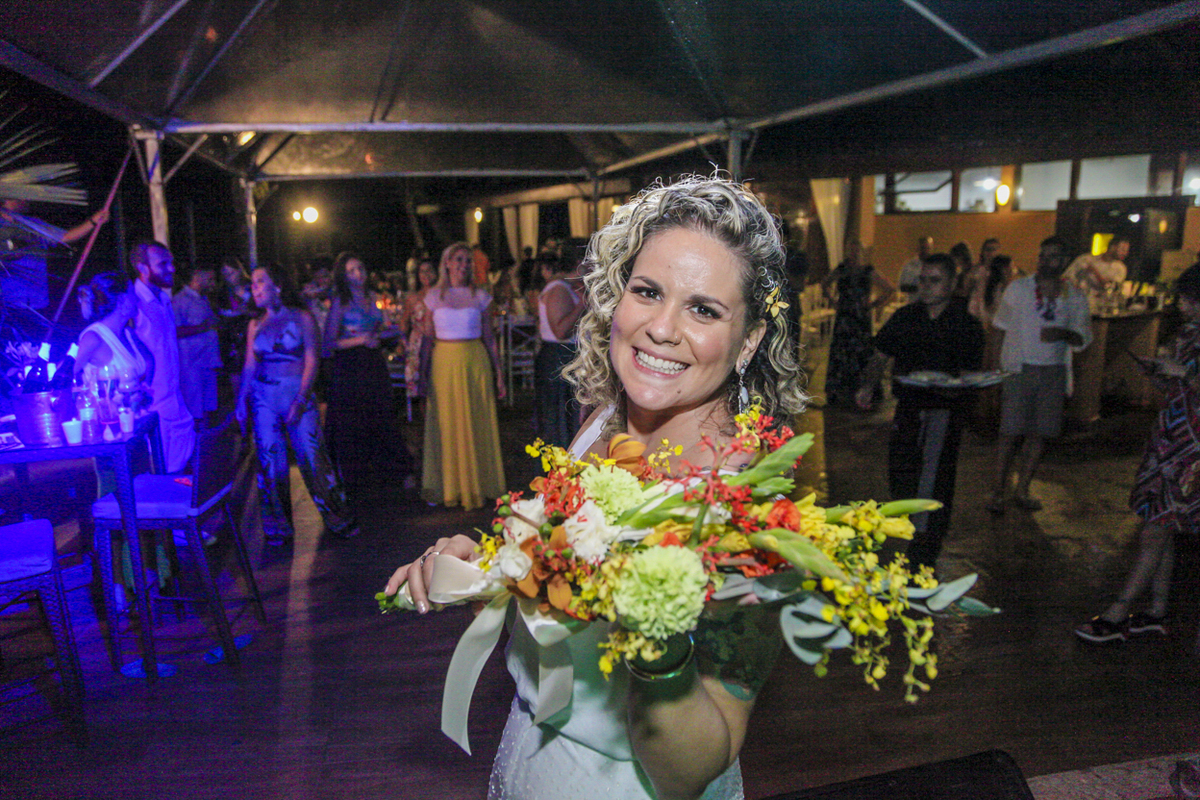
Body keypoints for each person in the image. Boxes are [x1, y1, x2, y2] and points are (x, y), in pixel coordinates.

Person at [386, 176, 808, 800]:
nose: (662, 328)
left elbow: (692, 768)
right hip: (526, 758)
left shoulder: (746, 504)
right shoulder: (602, 424)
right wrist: (485, 571)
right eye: (648, 291)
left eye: (703, 309)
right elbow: (551, 597)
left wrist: (657, 644)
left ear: (747, 342)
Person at [1075, 262, 1200, 643]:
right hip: (1171, 437)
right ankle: (1156, 610)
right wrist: (1162, 373)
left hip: (1191, 448)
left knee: (1156, 528)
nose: (1184, 306)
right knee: (1161, 523)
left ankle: (1118, 612)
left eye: (1191, 300)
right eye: (1184, 298)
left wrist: (1183, 374)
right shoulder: (1189, 335)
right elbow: (1179, 390)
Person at [854, 255, 985, 569]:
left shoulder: (965, 325)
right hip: (909, 407)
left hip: (944, 410)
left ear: (951, 285)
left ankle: (925, 547)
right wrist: (868, 385)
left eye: (934, 280)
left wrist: (956, 387)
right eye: (922, 280)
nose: (925, 287)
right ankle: (916, 528)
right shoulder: (906, 316)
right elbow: (881, 353)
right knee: (901, 473)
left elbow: (971, 374)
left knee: (934, 477)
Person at [235, 263, 357, 541]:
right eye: (252, 284)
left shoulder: (301, 317)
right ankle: (278, 527)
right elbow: (249, 367)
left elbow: (313, 359)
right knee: (270, 463)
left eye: (259, 282)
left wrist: (301, 399)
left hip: (296, 392)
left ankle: (337, 517)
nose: (253, 289)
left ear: (277, 286)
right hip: (263, 398)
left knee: (313, 459)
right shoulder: (255, 324)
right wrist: (241, 402)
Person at [987, 236, 1092, 513]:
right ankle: (998, 490)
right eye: (1042, 255)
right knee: (1009, 433)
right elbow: (998, 329)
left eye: (1053, 256)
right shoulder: (1018, 289)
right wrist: (995, 373)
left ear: (1065, 261)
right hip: (1018, 369)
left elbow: (1084, 338)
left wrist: (1063, 334)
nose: (1045, 261)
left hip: (1054, 371)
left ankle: (1022, 489)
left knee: (1040, 434)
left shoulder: (1075, 296)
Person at [420, 242, 507, 510]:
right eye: (458, 259)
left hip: (475, 361)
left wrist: (499, 373)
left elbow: (490, 338)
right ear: (446, 263)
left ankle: (480, 483)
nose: (463, 264)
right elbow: (426, 338)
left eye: (467, 260)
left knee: (477, 419)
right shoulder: (433, 296)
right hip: (444, 363)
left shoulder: (480, 295)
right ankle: (451, 486)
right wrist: (421, 374)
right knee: (446, 422)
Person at [322, 252, 415, 499]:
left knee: (382, 414)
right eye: (351, 270)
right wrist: (360, 339)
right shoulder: (340, 302)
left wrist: (392, 334)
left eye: (360, 268)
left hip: (372, 362)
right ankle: (357, 478)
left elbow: (381, 329)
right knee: (355, 420)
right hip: (351, 365)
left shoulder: (373, 297)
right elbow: (329, 342)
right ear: (343, 275)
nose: (358, 274)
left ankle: (393, 470)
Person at [130, 240, 195, 473]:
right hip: (153, 405)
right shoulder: (133, 303)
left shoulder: (164, 300)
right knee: (161, 474)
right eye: (163, 264)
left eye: (172, 263)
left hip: (174, 399)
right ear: (143, 268)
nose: (172, 269)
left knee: (180, 472)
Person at [822, 240, 895, 408]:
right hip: (845, 316)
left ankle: (862, 388)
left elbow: (889, 288)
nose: (853, 255)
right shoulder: (842, 269)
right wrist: (833, 301)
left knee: (861, 351)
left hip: (859, 318)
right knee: (842, 350)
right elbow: (825, 283)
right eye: (851, 251)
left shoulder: (867, 271)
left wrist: (873, 305)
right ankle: (840, 389)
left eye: (856, 251)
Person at [534, 250, 586, 448]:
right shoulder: (559, 289)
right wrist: (582, 304)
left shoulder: (571, 286)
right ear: (579, 261)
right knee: (560, 419)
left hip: (569, 356)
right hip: (559, 357)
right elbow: (561, 330)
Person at [172, 263, 222, 420]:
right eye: (209, 278)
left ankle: (206, 441)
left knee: (207, 407)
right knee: (194, 408)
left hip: (207, 362)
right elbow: (174, 331)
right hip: (191, 365)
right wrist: (203, 327)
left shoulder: (204, 298)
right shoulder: (179, 300)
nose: (212, 282)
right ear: (197, 276)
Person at [401, 255, 438, 404]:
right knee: (422, 385)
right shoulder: (413, 298)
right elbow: (404, 321)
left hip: (438, 342)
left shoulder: (442, 294)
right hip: (418, 343)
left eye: (429, 270)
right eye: (422, 272)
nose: (426, 275)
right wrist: (404, 341)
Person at [1063, 237, 1130, 308]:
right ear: (1112, 247)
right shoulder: (1085, 259)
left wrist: (1094, 272)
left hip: (1100, 307)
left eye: (1126, 251)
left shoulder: (1120, 268)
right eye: (1122, 250)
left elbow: (1110, 288)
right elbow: (1066, 276)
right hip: (1076, 304)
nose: (1125, 253)